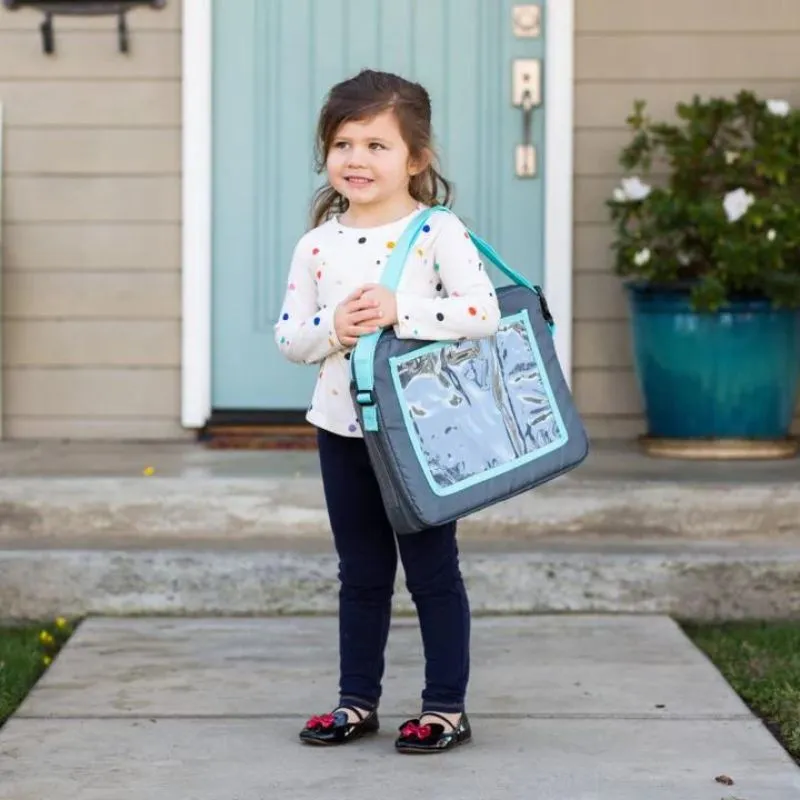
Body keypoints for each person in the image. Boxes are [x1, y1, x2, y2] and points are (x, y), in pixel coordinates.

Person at [274, 69, 501, 754]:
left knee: (433, 569)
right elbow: (291, 338)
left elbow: (483, 314)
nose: (357, 160)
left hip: (422, 432)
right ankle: (355, 700)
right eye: (343, 144)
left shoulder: (437, 233)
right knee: (361, 572)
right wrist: (335, 327)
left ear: (416, 158)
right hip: (342, 430)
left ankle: (444, 708)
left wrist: (406, 309)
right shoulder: (317, 244)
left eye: (377, 145)